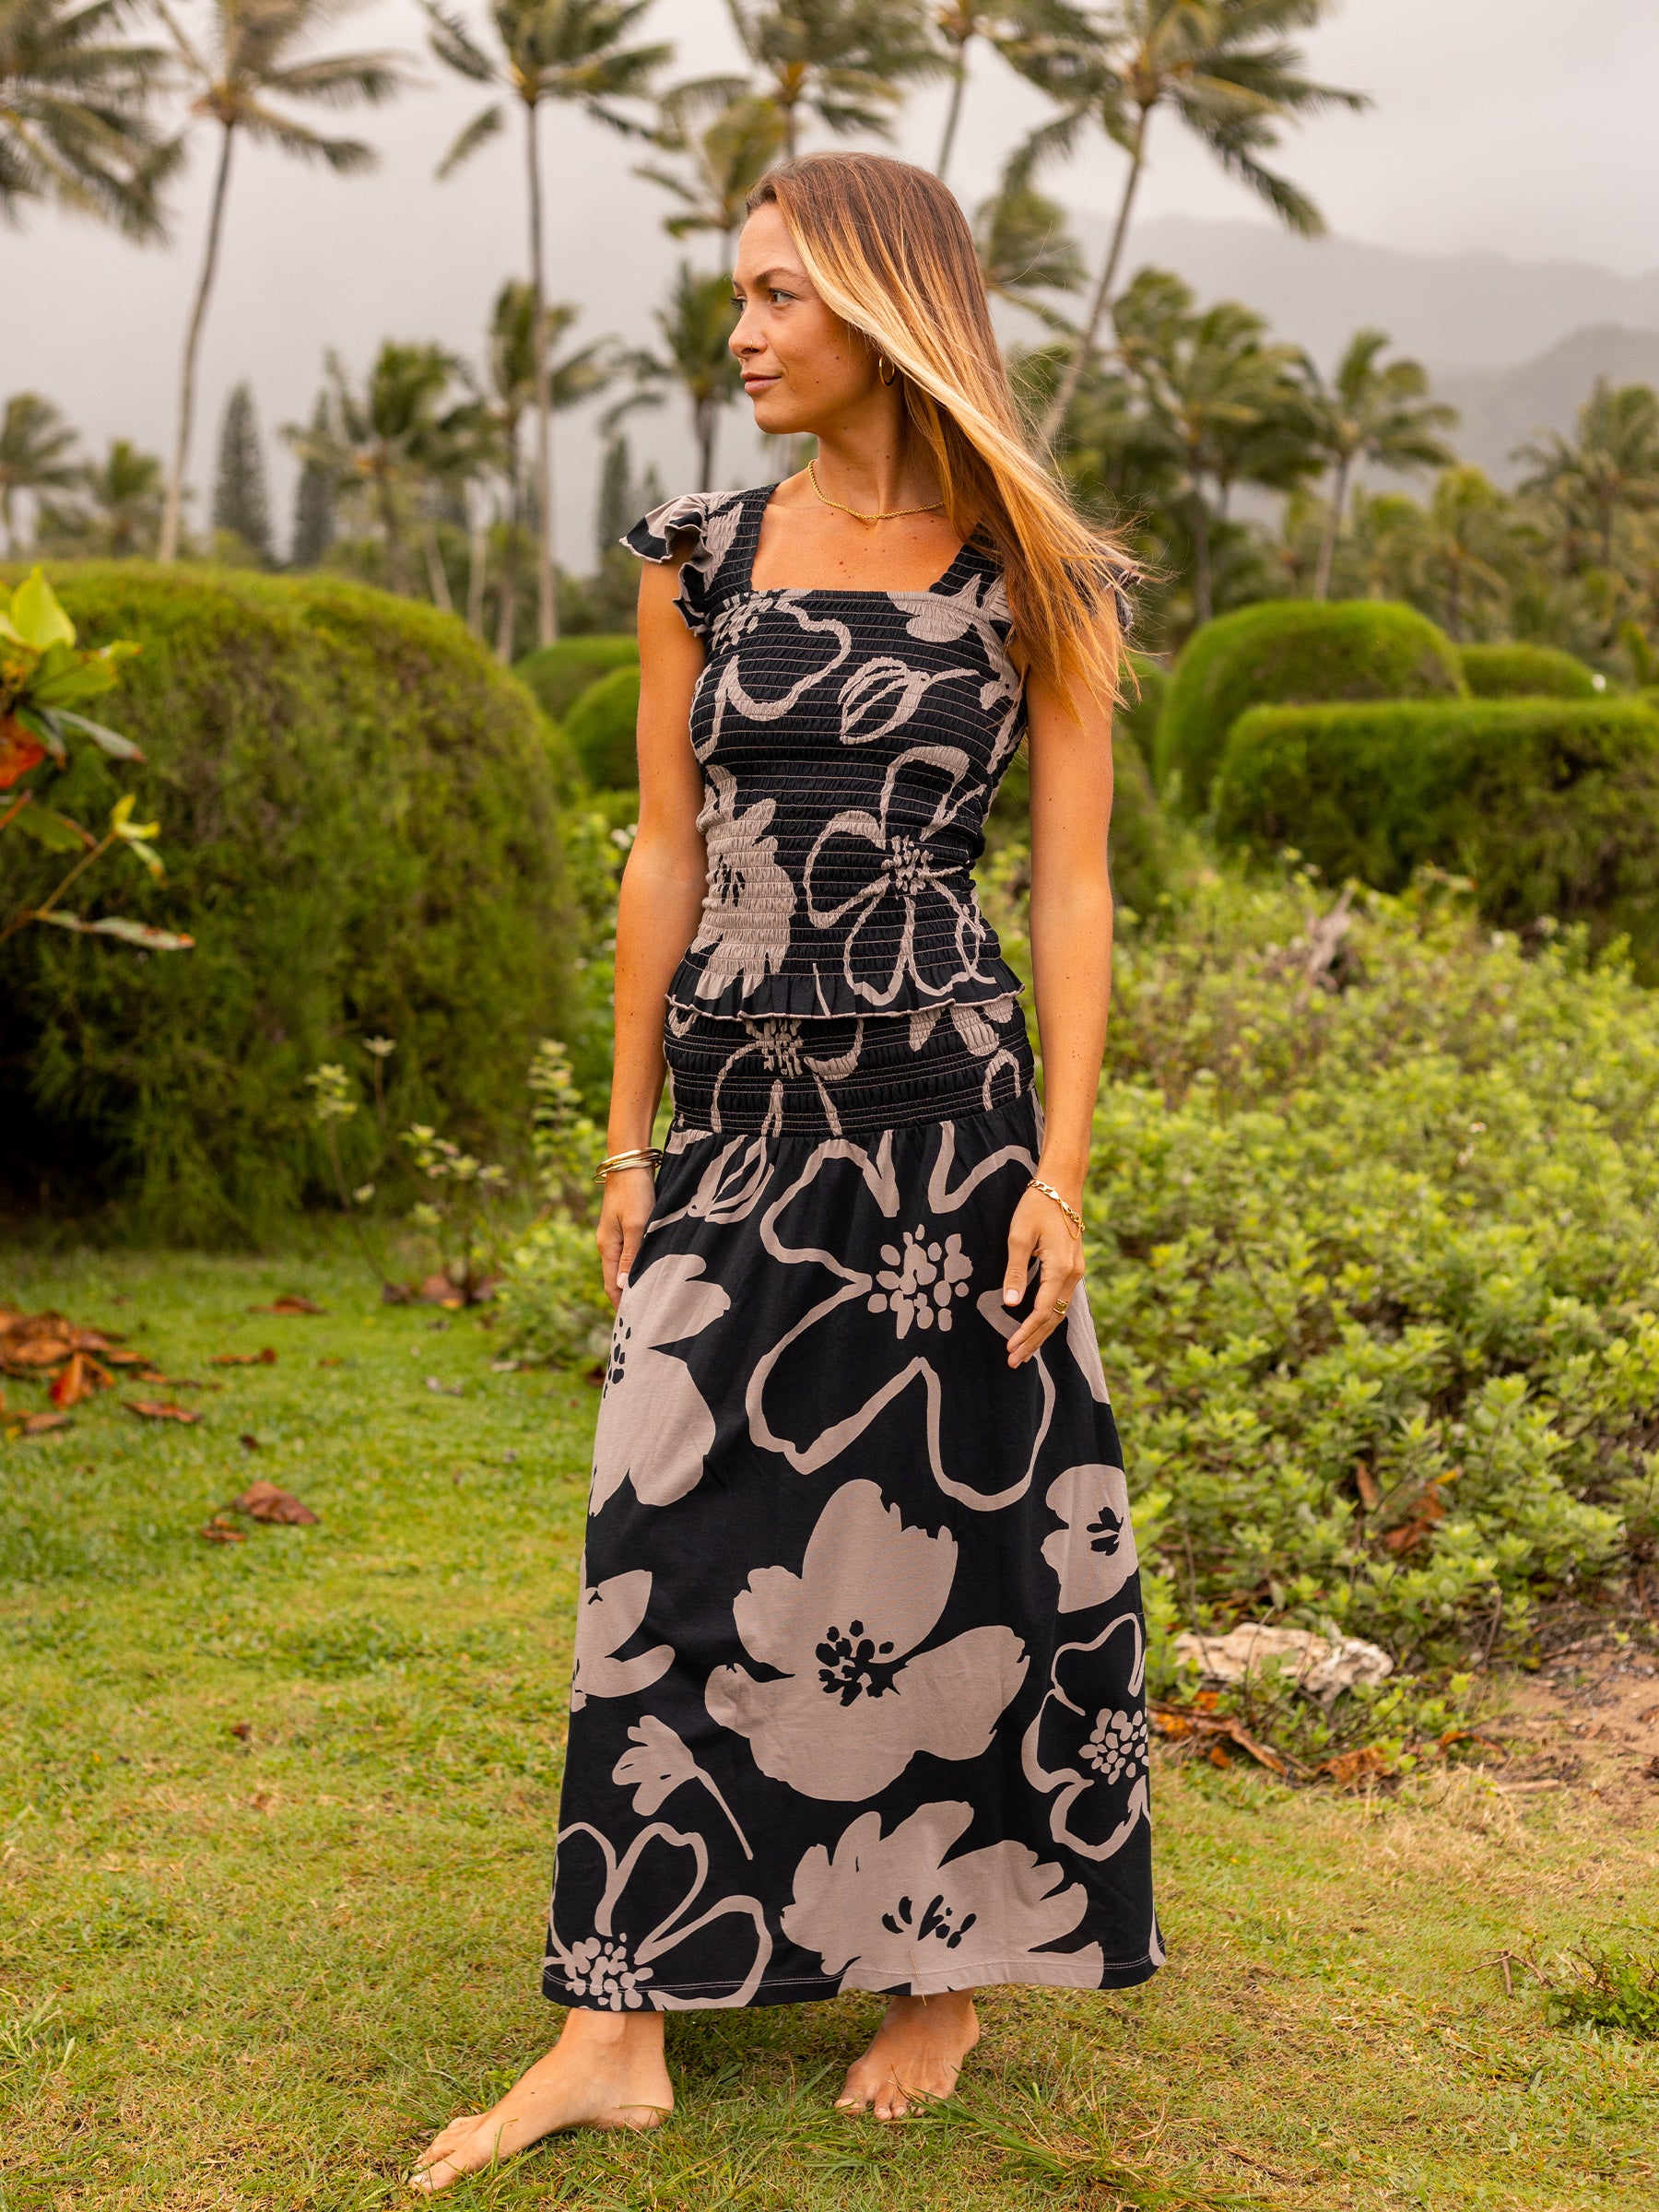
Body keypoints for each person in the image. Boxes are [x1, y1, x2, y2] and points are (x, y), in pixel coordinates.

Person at [411, 149, 1159, 2194]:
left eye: (775, 297)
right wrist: (631, 1126)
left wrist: (1062, 1168)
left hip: (948, 1115)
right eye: (733, 297)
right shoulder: (702, 557)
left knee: (959, 1538)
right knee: (661, 1525)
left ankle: (946, 1966)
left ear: (884, 303)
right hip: (741, 1125)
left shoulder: (1033, 573)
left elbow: (1069, 888)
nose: (738, 333)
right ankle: (613, 2026)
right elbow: (666, 853)